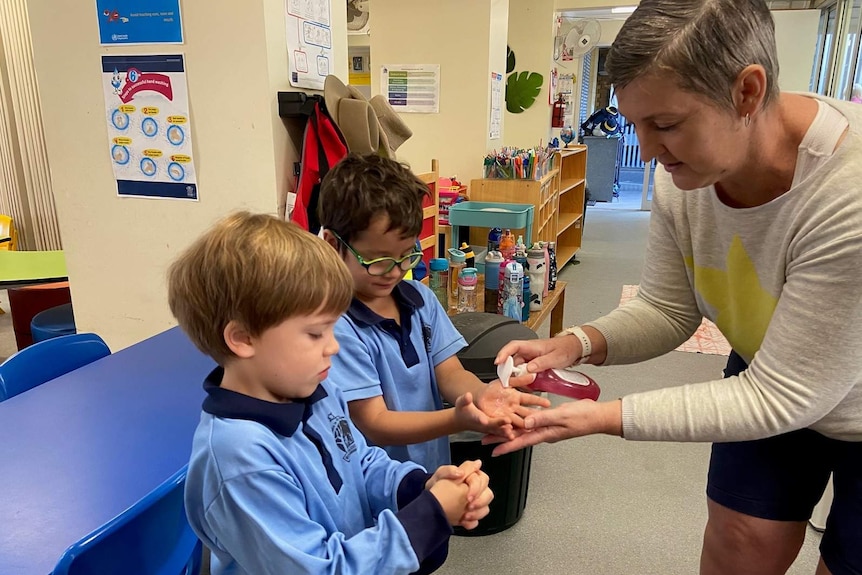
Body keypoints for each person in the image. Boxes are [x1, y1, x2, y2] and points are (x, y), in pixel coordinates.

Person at [490, 2, 862, 574]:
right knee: (738, 540)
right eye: (636, 123)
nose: (649, 149)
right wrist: (574, 345)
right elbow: (668, 309)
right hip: (771, 365)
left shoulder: (847, 191)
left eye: (664, 125)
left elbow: (783, 398)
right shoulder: (684, 179)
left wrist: (601, 417)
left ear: (747, 92)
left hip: (835, 389)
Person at [167, 212, 494, 575]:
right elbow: (322, 569)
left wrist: (419, 488)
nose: (333, 347)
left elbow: (361, 462)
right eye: (315, 334)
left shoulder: (317, 391)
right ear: (243, 338)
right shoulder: (239, 459)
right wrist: (430, 513)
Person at [318, 153, 548, 473]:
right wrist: (455, 420)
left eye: (406, 255)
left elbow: (450, 374)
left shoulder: (420, 299)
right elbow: (375, 422)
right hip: (376, 490)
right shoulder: (335, 328)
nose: (396, 271)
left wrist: (482, 396)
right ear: (332, 244)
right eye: (378, 260)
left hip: (431, 472)